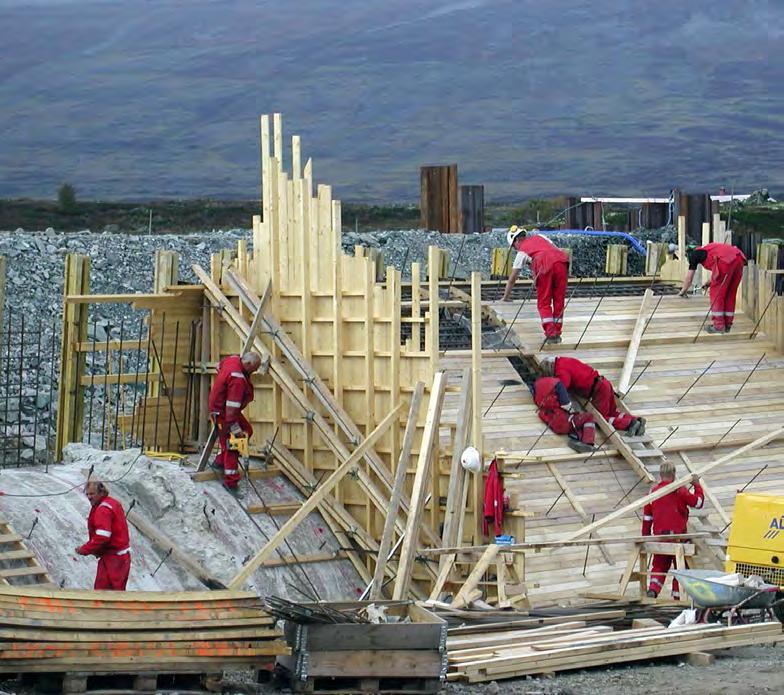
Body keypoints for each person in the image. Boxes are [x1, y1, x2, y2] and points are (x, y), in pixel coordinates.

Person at [641, 462, 704, 600]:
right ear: (674, 474)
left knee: (658, 566)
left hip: (660, 537)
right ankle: (677, 596)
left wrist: (645, 537)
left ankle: (653, 590)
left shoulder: (653, 492)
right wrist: (697, 485)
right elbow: (698, 503)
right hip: (678, 537)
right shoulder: (680, 490)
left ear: (660, 475)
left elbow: (647, 517)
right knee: (681, 568)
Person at [540, 355, 646, 436]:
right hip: (604, 383)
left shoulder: (560, 369)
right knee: (612, 412)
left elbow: (563, 387)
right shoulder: (565, 360)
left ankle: (629, 424)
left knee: (603, 419)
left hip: (598, 390)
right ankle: (636, 420)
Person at [502, 226, 570, 344]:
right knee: (559, 300)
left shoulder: (522, 252)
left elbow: (512, 278)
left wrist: (505, 297)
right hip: (561, 262)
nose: (515, 249)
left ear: (516, 241)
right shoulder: (540, 237)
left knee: (544, 302)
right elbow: (552, 250)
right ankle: (557, 332)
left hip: (544, 265)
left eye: (514, 247)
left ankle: (551, 334)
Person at [208, 352, 264, 491]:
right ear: (248, 364)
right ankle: (231, 482)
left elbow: (219, 366)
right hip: (223, 413)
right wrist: (234, 428)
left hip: (225, 409)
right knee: (233, 443)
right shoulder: (237, 379)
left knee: (247, 431)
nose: (255, 371)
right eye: (255, 368)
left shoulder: (233, 359)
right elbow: (232, 407)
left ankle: (220, 461)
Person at [671, 242, 746, 334]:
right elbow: (721, 271)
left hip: (726, 261)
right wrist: (709, 282)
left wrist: (683, 291)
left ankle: (718, 325)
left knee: (716, 294)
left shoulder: (694, 255)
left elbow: (689, 278)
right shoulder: (708, 249)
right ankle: (727, 324)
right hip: (739, 258)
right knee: (730, 293)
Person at [75, 481, 131, 590]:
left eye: (92, 494)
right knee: (116, 591)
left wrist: (85, 549)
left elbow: (103, 536)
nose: (89, 497)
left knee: (105, 593)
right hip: (120, 557)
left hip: (113, 559)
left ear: (101, 493)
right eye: (87, 494)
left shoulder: (102, 509)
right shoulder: (111, 503)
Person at [531, 376, 596, 453]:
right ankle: (587, 442)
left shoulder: (536, 387)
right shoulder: (558, 383)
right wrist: (573, 411)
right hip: (563, 422)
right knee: (589, 417)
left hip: (552, 421)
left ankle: (577, 438)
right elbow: (566, 405)